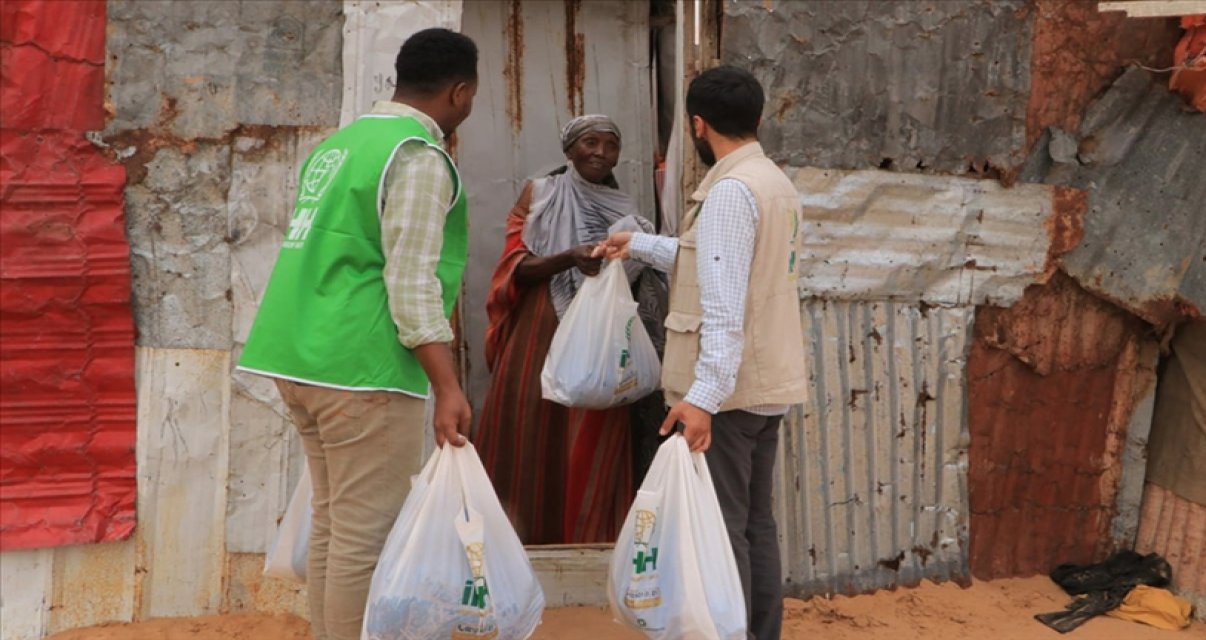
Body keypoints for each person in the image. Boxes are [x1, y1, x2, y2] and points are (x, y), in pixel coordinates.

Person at [236, 28, 478, 640]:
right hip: (360, 369)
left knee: (336, 525)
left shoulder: (340, 146)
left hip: (302, 358)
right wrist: (446, 385)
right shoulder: (417, 157)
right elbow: (412, 282)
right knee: (363, 539)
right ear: (460, 91)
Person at [598, 66, 807, 640]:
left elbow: (722, 300)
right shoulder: (771, 182)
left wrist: (703, 399)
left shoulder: (730, 192)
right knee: (753, 525)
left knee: (723, 528)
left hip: (729, 395)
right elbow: (711, 259)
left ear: (697, 125)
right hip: (763, 385)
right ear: (758, 119)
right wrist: (637, 244)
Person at [475, 115, 667, 545]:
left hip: (598, 342)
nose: (600, 152)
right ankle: (516, 544)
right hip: (538, 334)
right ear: (569, 150)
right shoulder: (541, 194)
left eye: (609, 145)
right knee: (531, 436)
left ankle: (587, 541)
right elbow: (514, 266)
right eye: (589, 143)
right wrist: (569, 258)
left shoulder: (624, 209)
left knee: (590, 434)